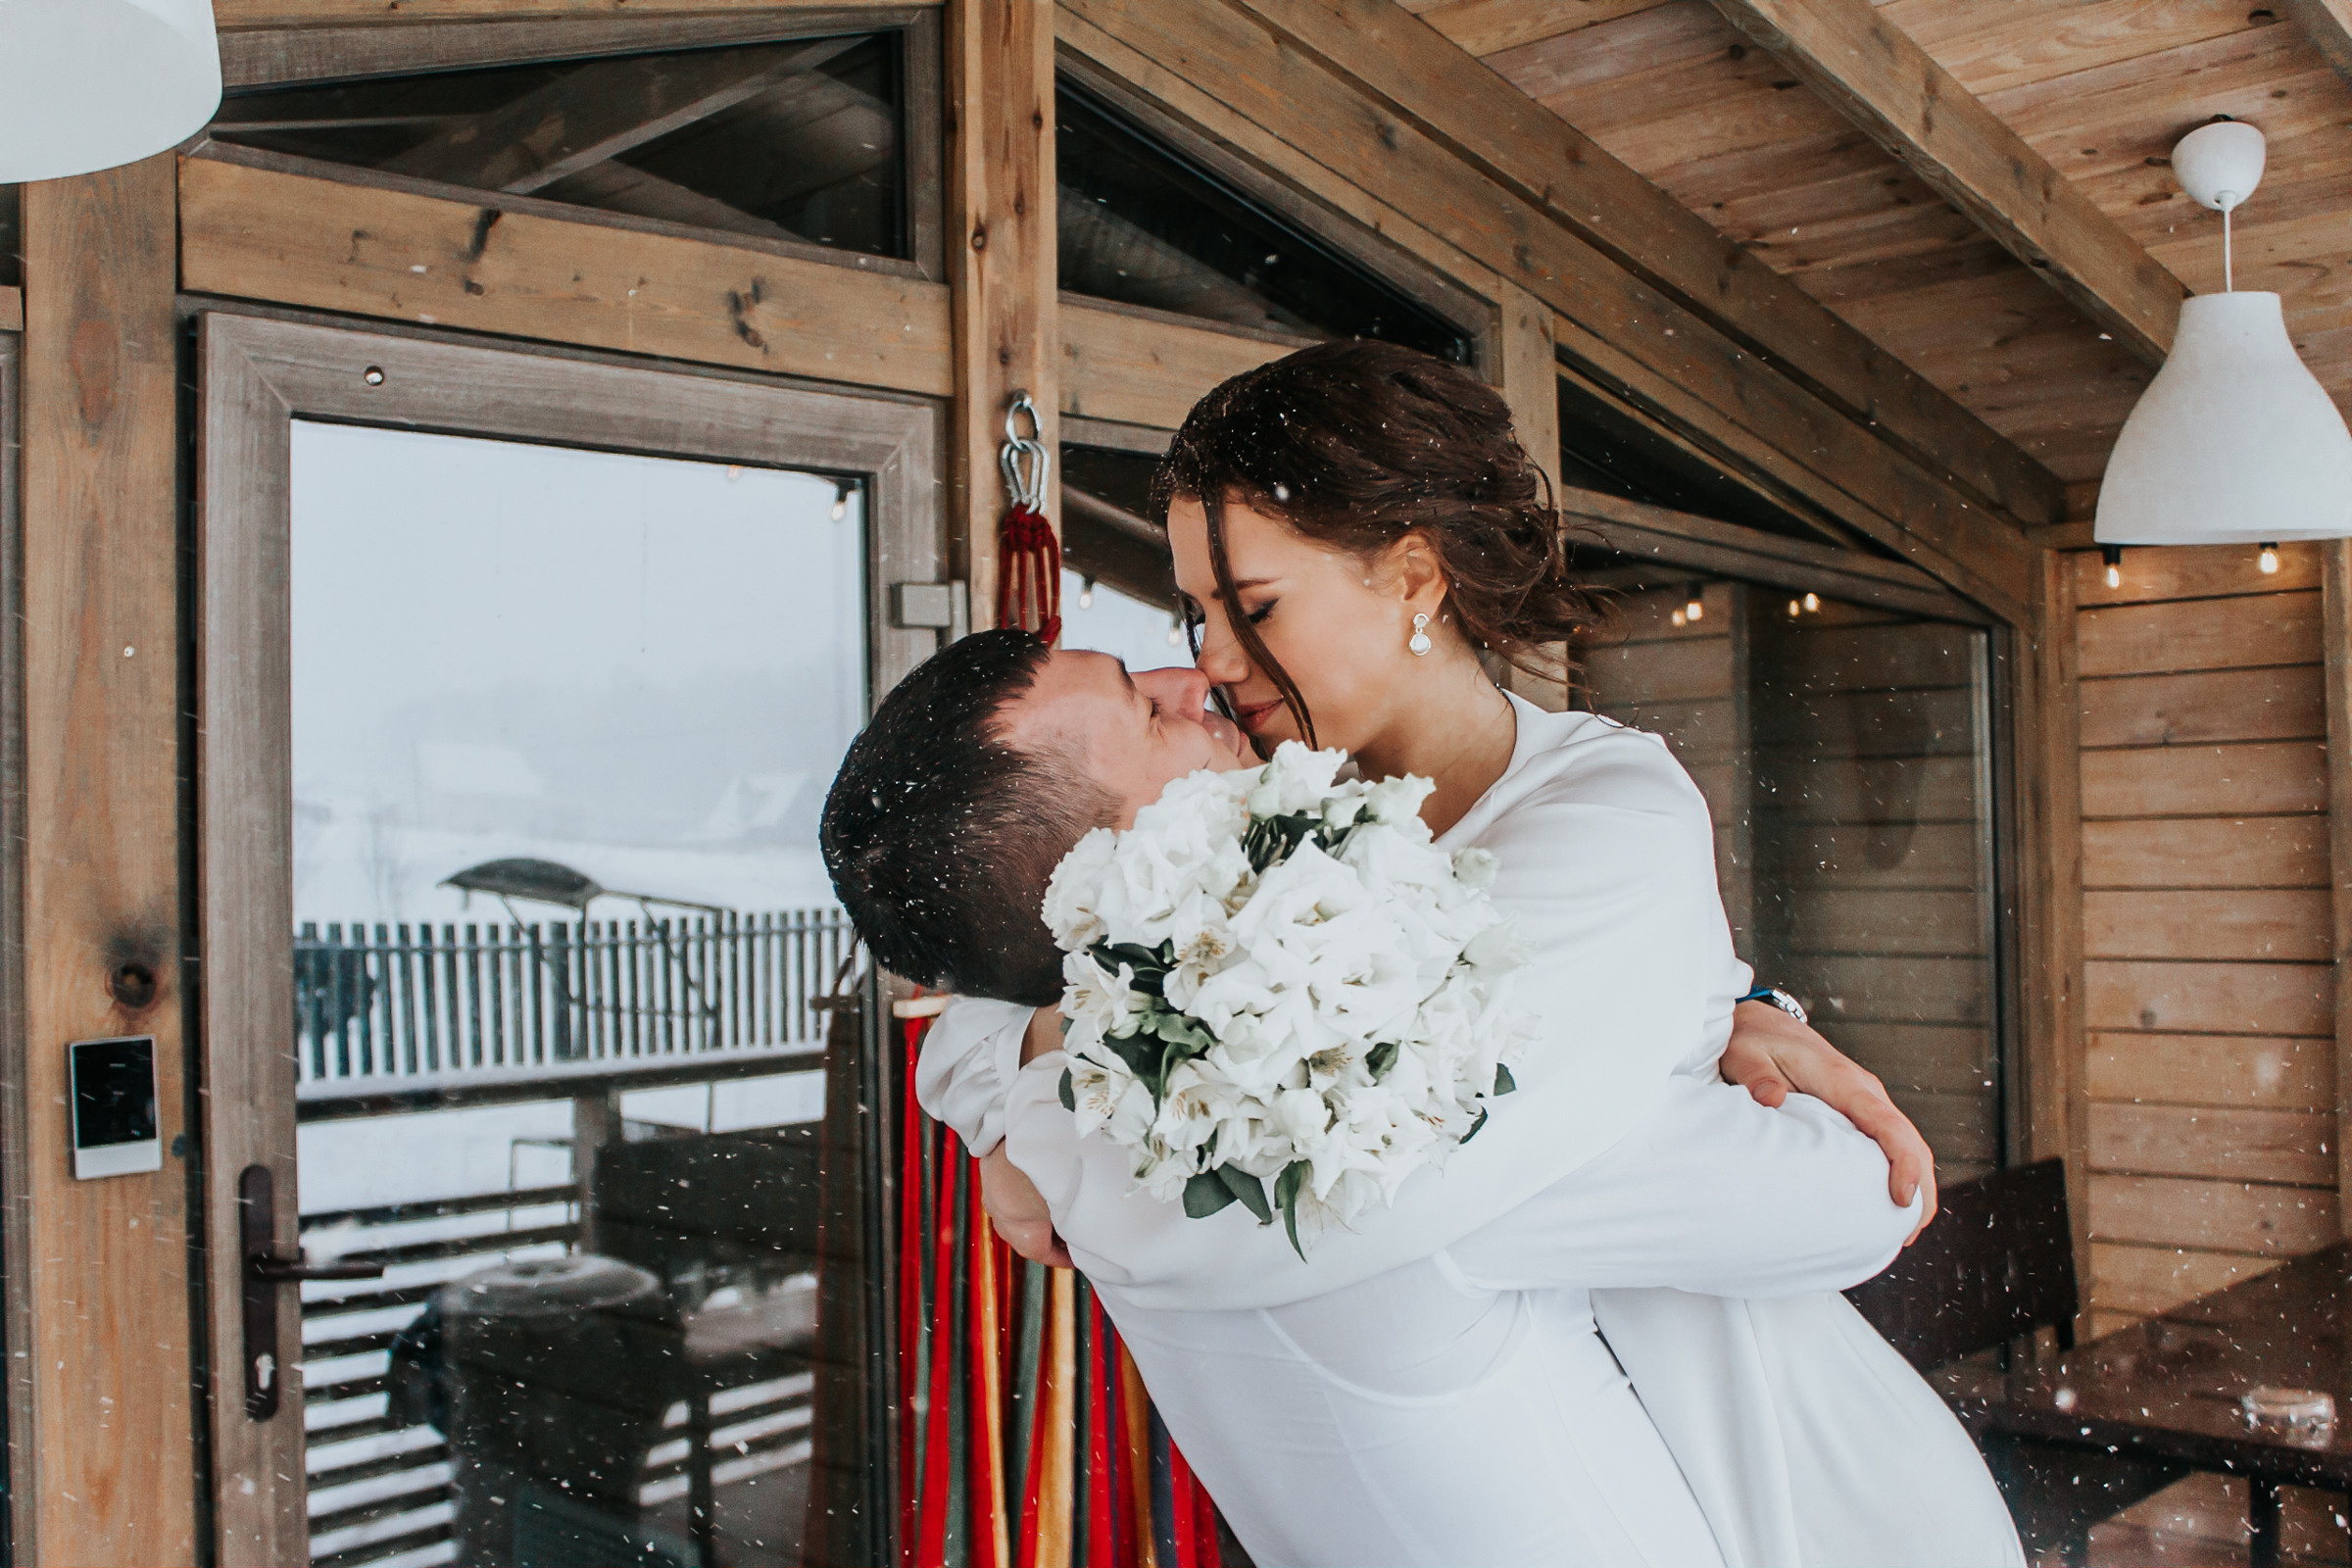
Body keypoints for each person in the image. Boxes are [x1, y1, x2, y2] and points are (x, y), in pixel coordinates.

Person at [821, 341, 2024, 1565]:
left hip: (1820, 1504)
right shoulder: (1240, 859)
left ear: (1411, 578)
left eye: (1256, 608)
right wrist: (1015, 1064)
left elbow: (1312, 1199)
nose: (1215, 662)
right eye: (1197, 612)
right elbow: (1002, 963)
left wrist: (1040, 1104)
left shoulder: (1602, 818)